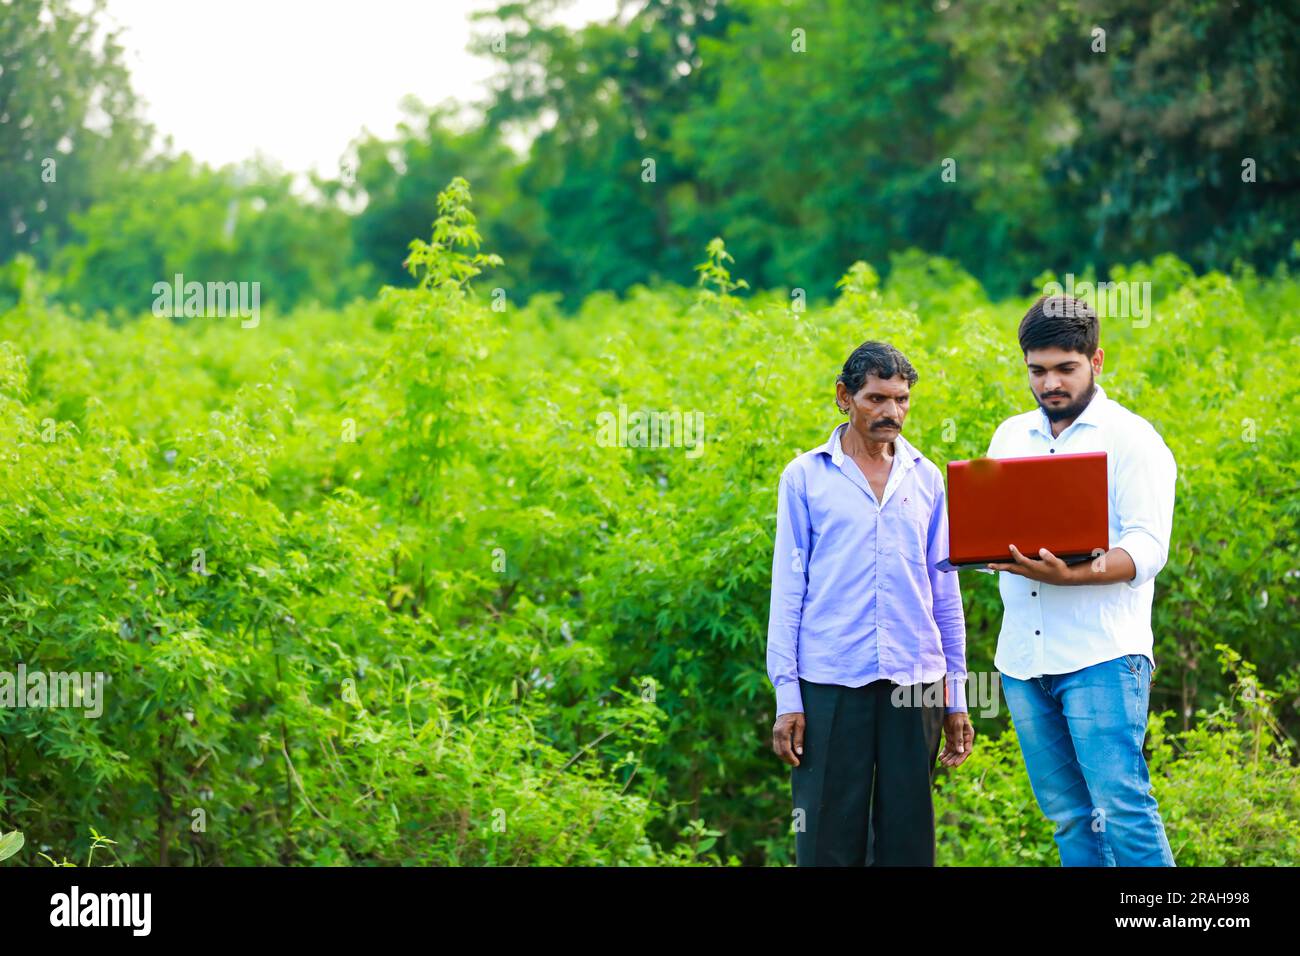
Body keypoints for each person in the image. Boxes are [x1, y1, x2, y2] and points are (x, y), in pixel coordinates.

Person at [984, 293, 1177, 866]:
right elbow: (995, 526)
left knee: (1122, 810)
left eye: (1064, 368)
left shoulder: (1131, 439)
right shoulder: (1010, 437)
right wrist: (987, 550)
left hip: (1102, 658)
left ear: (1096, 361)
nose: (1050, 384)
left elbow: (1147, 548)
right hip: (1023, 661)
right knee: (1069, 819)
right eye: (1037, 370)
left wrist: (1071, 575)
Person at [767, 340, 973, 866]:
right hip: (831, 679)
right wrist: (788, 694)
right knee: (827, 839)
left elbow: (944, 592)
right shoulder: (806, 477)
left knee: (908, 838)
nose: (892, 413)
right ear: (844, 397)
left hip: (914, 680)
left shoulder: (927, 478)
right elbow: (788, 591)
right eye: (877, 398)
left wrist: (956, 695)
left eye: (902, 400)